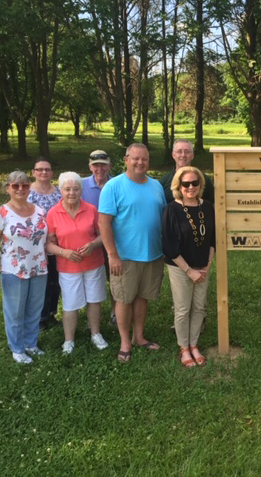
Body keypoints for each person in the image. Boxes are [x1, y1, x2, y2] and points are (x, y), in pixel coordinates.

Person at [99, 143, 167, 362]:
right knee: (123, 299)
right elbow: (104, 223)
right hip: (125, 256)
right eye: (135, 158)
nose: (140, 162)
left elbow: (163, 217)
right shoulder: (114, 186)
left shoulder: (156, 186)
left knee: (142, 297)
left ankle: (139, 336)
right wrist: (112, 255)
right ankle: (125, 342)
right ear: (126, 160)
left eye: (144, 159)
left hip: (153, 254)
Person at [0, 171, 48, 364]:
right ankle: (17, 348)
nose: (20, 189)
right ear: (8, 188)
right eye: (15, 186)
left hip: (39, 267)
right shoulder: (1, 213)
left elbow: (47, 239)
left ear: (29, 187)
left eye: (24, 185)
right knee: (15, 312)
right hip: (14, 270)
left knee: (35, 309)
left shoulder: (40, 211)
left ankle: (31, 344)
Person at [46, 172, 109, 355]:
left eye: (75, 189)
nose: (71, 193)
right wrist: (64, 252)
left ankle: (95, 334)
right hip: (68, 267)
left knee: (94, 299)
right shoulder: (53, 213)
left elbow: (102, 234)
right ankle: (69, 340)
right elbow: (49, 243)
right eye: (67, 189)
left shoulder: (91, 209)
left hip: (94, 263)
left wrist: (93, 244)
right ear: (60, 190)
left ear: (81, 190)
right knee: (70, 304)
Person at [162, 166, 216, 367]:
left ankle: (194, 344)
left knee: (199, 307)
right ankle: (183, 347)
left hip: (203, 266)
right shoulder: (172, 209)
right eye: (186, 184)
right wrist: (189, 271)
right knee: (183, 309)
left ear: (201, 185)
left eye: (195, 183)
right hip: (180, 267)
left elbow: (213, 239)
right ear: (178, 186)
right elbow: (169, 246)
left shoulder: (207, 207)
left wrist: (207, 265)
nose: (191, 187)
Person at [81, 150, 117, 327]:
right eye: (96, 165)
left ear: (110, 166)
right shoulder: (80, 185)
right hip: (89, 241)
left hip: (113, 239)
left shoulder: (117, 184)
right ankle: (92, 316)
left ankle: (115, 313)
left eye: (103, 164)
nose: (99, 168)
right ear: (90, 167)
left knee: (114, 277)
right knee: (92, 279)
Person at [27, 157, 62, 330]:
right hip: (34, 245)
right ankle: (38, 316)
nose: (43, 172)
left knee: (55, 281)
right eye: (39, 169)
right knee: (40, 281)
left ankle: (51, 312)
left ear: (52, 173)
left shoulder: (59, 193)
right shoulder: (27, 193)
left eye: (47, 169)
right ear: (33, 172)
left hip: (57, 244)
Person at [160, 139, 214, 204]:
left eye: (187, 152)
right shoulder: (163, 182)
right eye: (179, 152)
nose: (183, 155)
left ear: (192, 155)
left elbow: (213, 205)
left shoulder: (204, 180)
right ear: (173, 155)